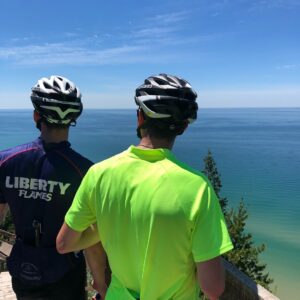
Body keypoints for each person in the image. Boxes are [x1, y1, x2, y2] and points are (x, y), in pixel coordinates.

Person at [56, 74, 233, 300]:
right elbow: (213, 288)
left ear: (140, 118)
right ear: (183, 127)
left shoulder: (99, 174)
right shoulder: (198, 188)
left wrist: (108, 223)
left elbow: (64, 243)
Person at [0, 75, 94, 300]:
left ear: (36, 115)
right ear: (73, 118)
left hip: (23, 266)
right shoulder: (86, 171)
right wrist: (100, 280)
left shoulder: (6, 161)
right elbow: (92, 236)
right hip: (67, 269)